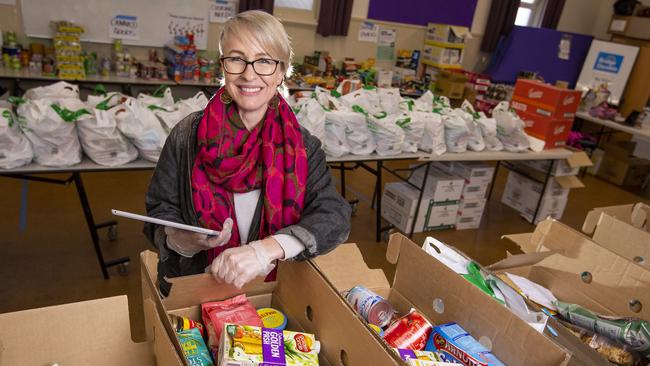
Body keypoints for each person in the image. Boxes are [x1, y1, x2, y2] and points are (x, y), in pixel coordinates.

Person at [144, 10, 351, 295]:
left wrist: (266, 250)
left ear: (281, 72)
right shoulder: (187, 135)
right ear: (223, 66)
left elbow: (333, 215)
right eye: (237, 59)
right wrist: (181, 240)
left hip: (272, 294)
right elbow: (158, 210)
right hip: (194, 290)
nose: (249, 74)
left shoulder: (303, 147)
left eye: (264, 61)